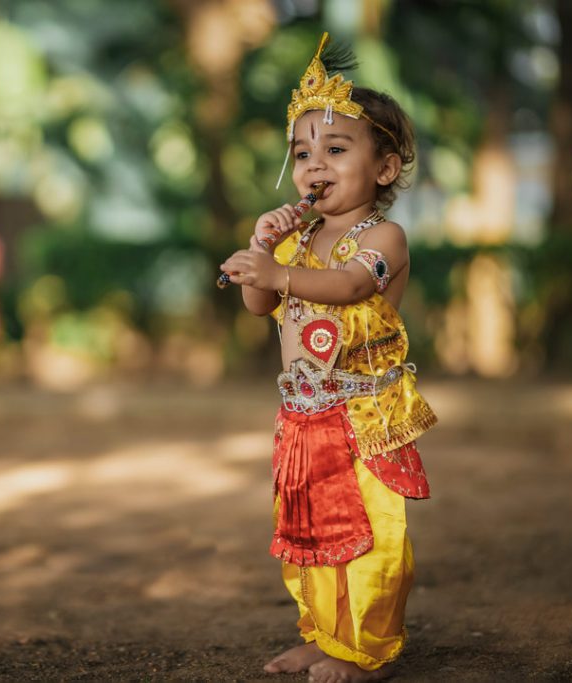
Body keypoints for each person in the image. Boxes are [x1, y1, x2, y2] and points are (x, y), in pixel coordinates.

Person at [219, 33, 437, 683]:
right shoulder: (300, 241)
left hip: (363, 418)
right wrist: (265, 248)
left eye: (336, 149)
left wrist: (278, 272)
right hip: (304, 418)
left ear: (385, 168)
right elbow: (260, 305)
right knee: (311, 533)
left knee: (371, 536)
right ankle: (325, 634)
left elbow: (349, 288)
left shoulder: (383, 237)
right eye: (302, 152)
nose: (314, 163)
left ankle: (366, 650)